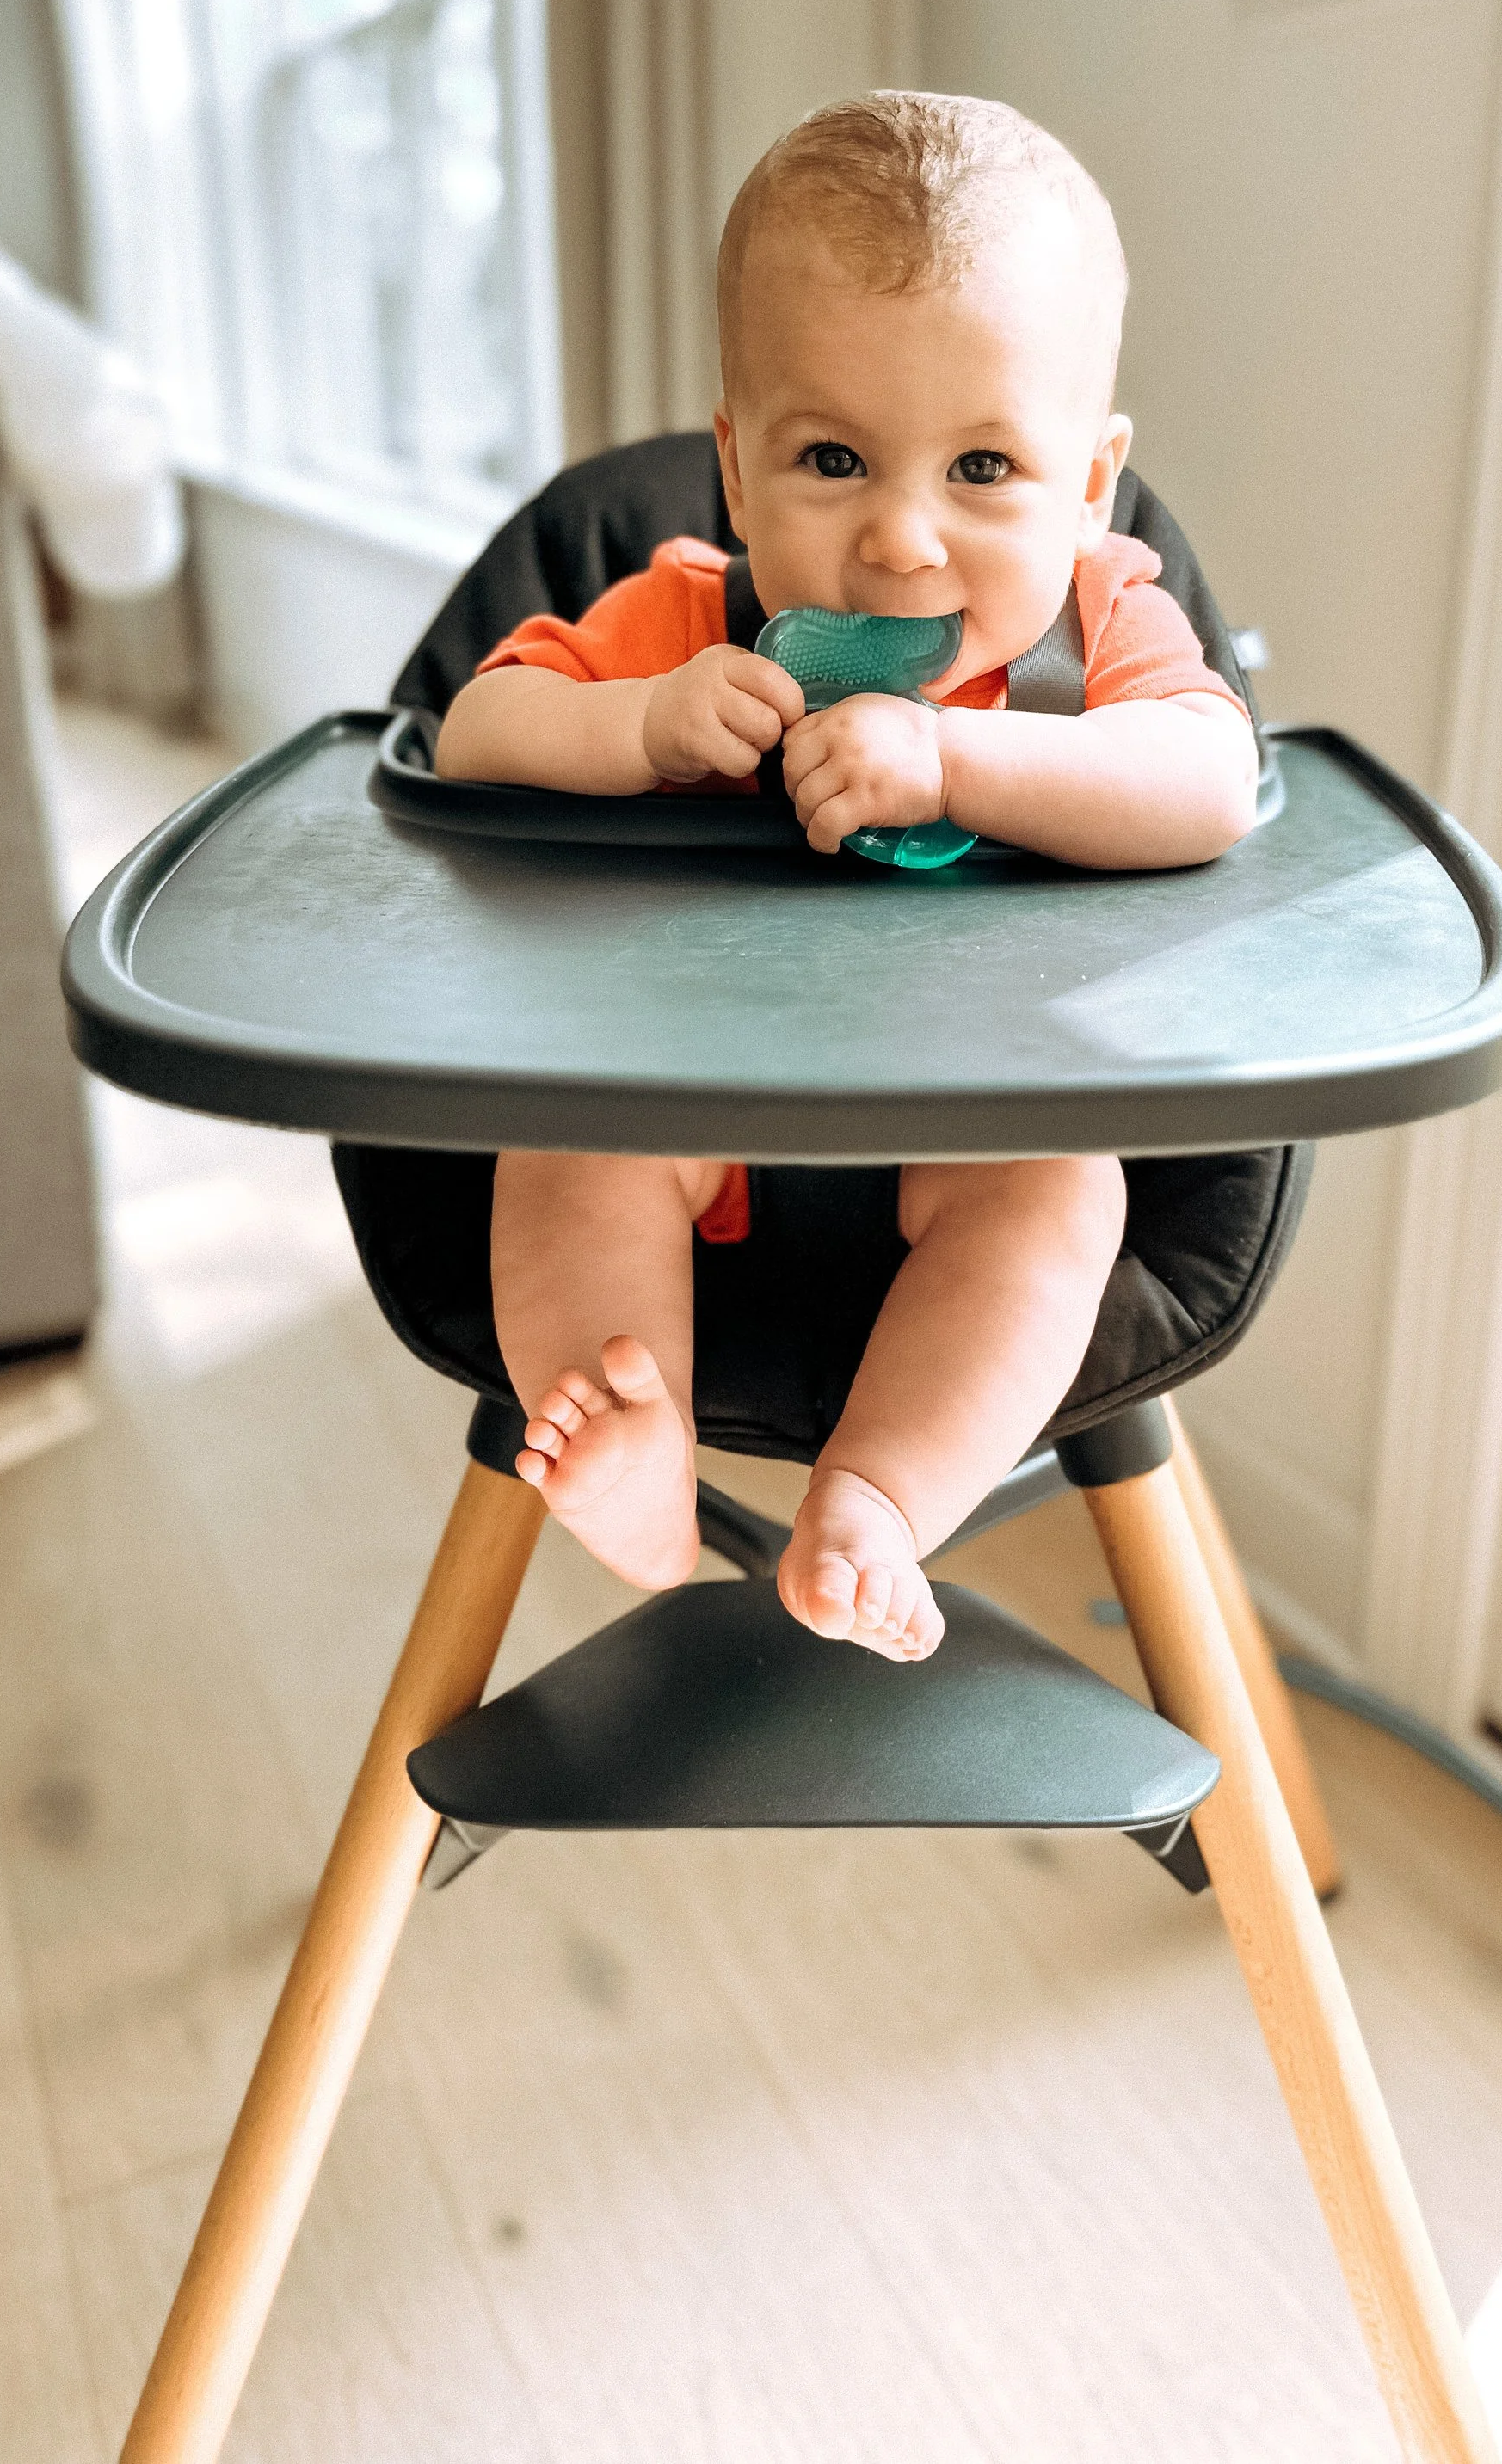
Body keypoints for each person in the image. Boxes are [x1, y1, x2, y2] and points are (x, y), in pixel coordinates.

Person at [436, 93, 1259, 1662]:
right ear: (738, 478)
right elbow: (476, 729)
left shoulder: (1100, 641)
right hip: (690, 1124)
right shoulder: (683, 618)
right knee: (566, 1154)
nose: (900, 538)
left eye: (984, 467)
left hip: (983, 1135)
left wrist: (961, 765)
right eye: (834, 459)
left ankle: (881, 1502)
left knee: (1064, 1202)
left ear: (1093, 480)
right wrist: (638, 723)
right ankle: (636, 1451)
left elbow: (1210, 784)